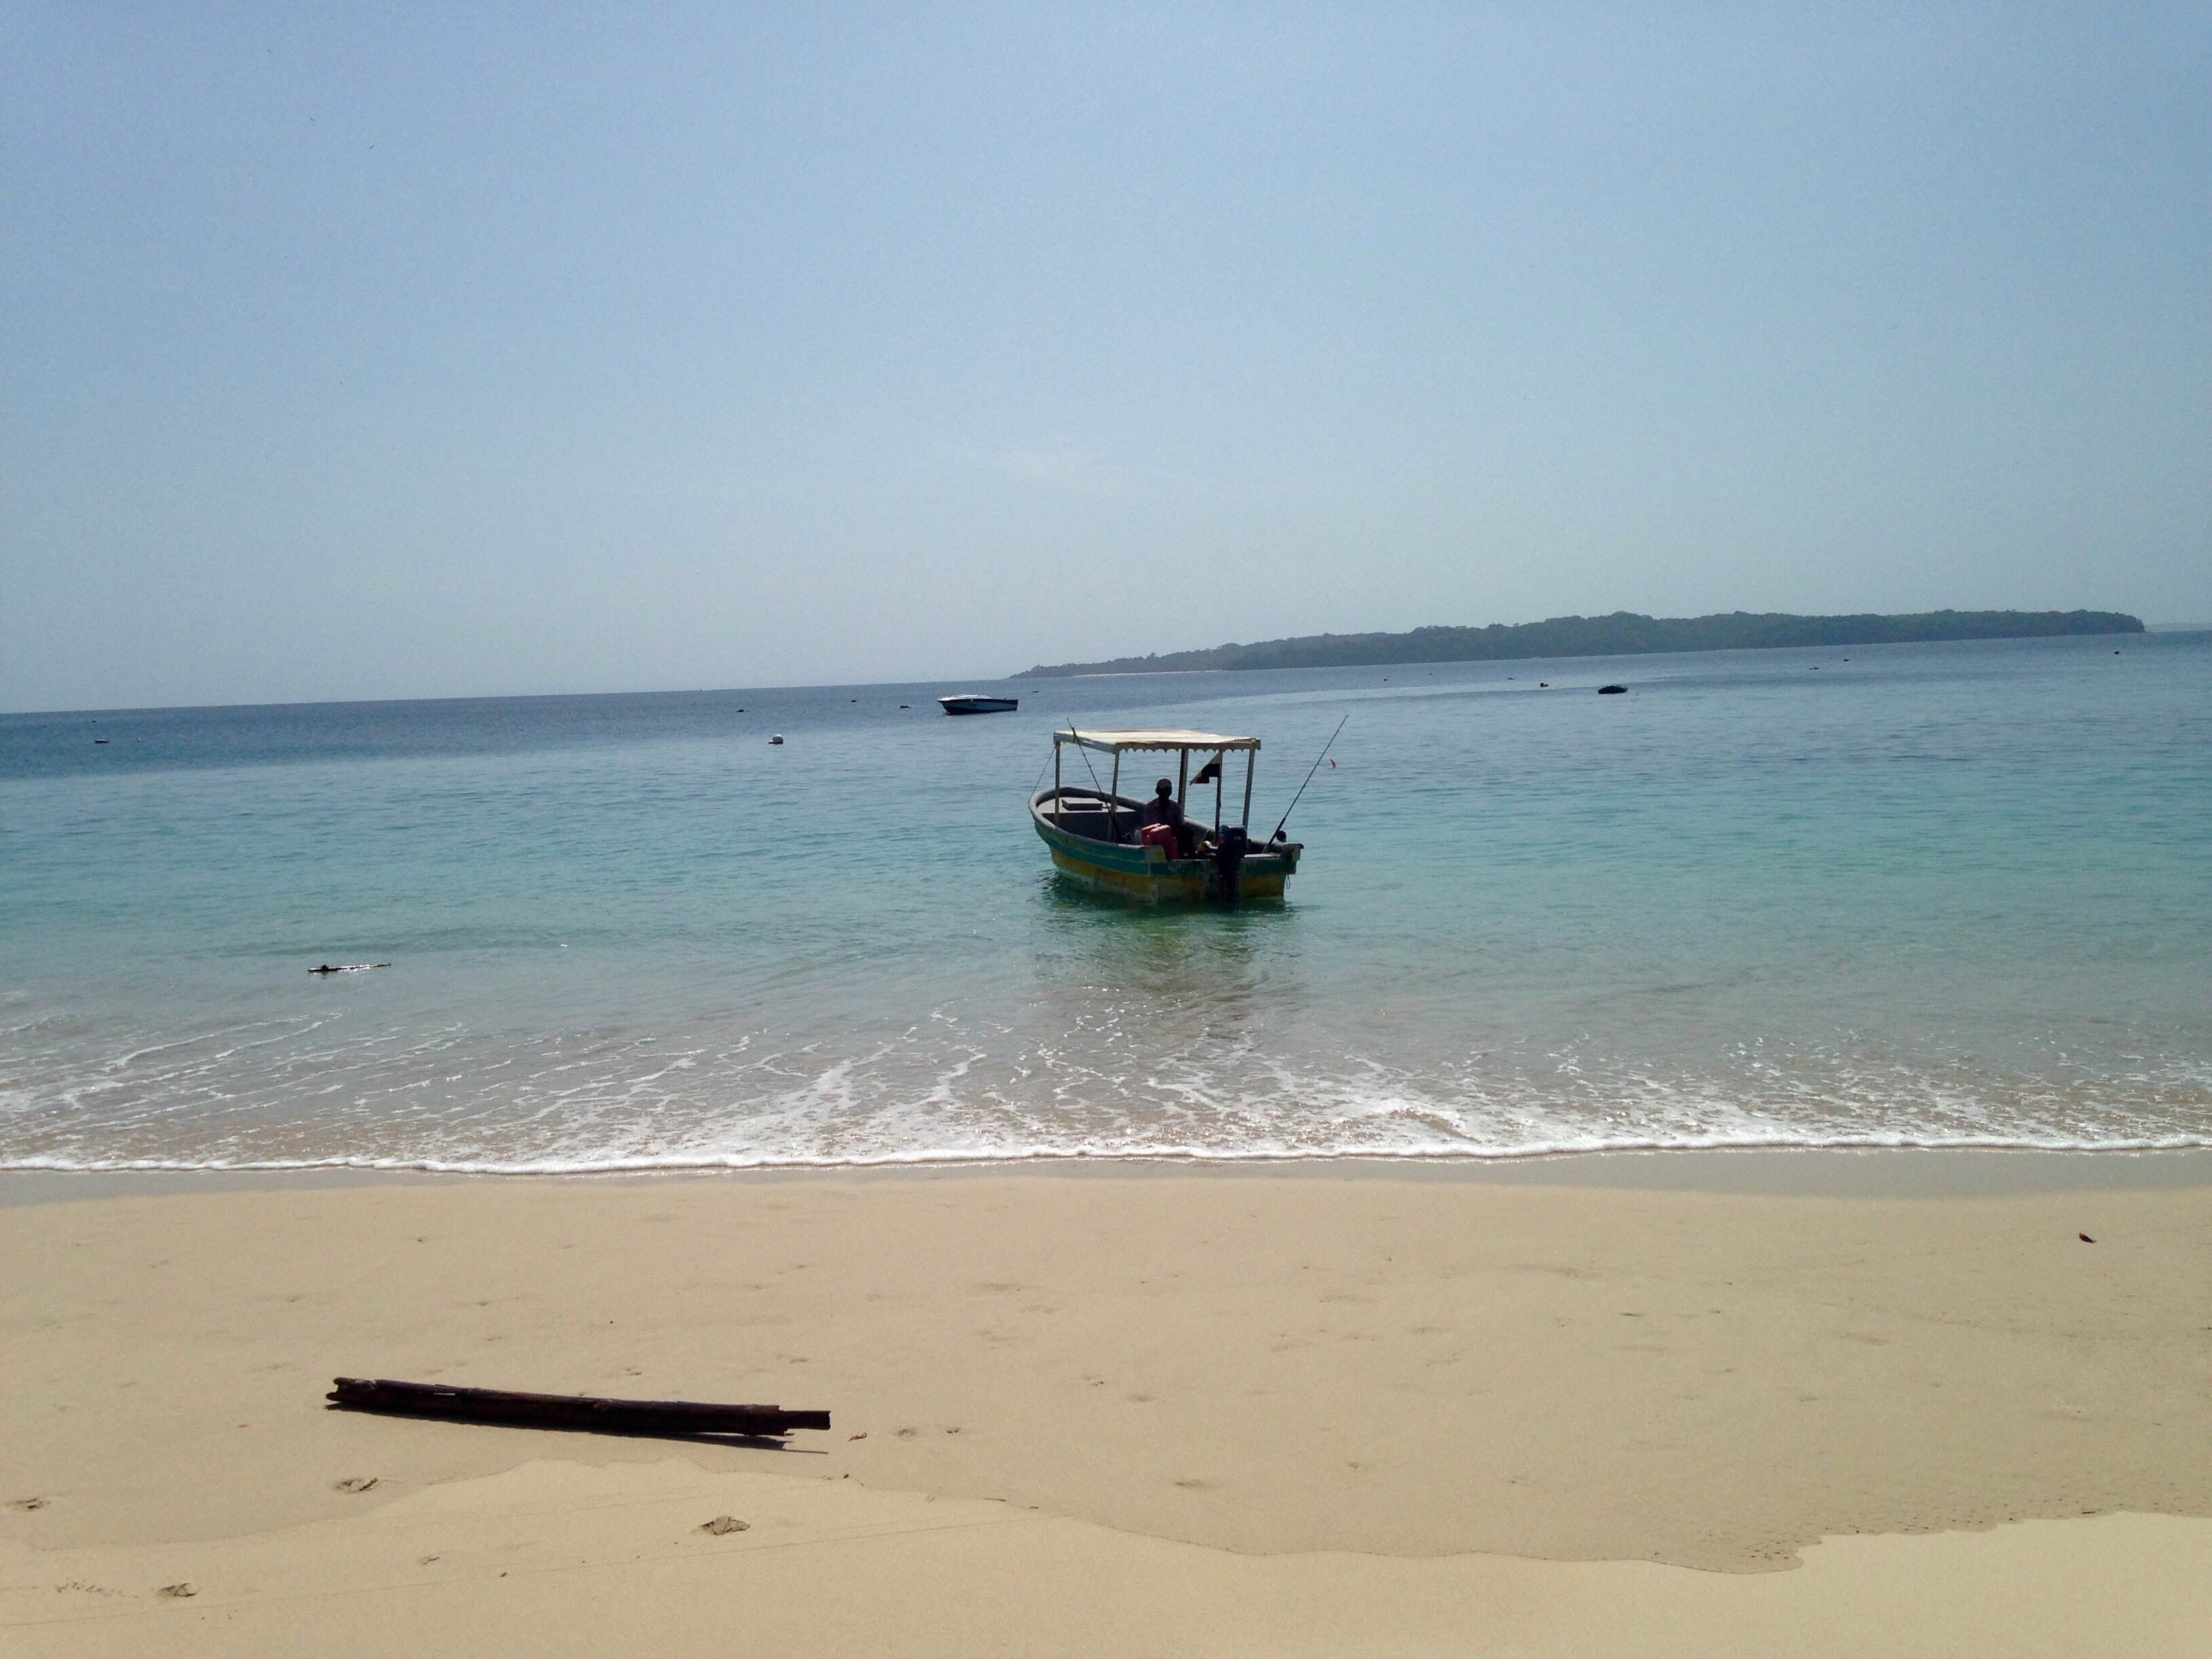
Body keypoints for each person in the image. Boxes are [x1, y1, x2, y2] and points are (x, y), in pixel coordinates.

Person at [1137, 778, 1197, 858]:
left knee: (1188, 835)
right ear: (1158, 791)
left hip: (1173, 836)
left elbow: (1180, 824)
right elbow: (1150, 828)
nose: (1166, 793)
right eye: (1164, 790)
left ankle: (1190, 859)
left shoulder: (1176, 807)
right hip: (1155, 838)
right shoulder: (1150, 808)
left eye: (1169, 790)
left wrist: (1183, 831)